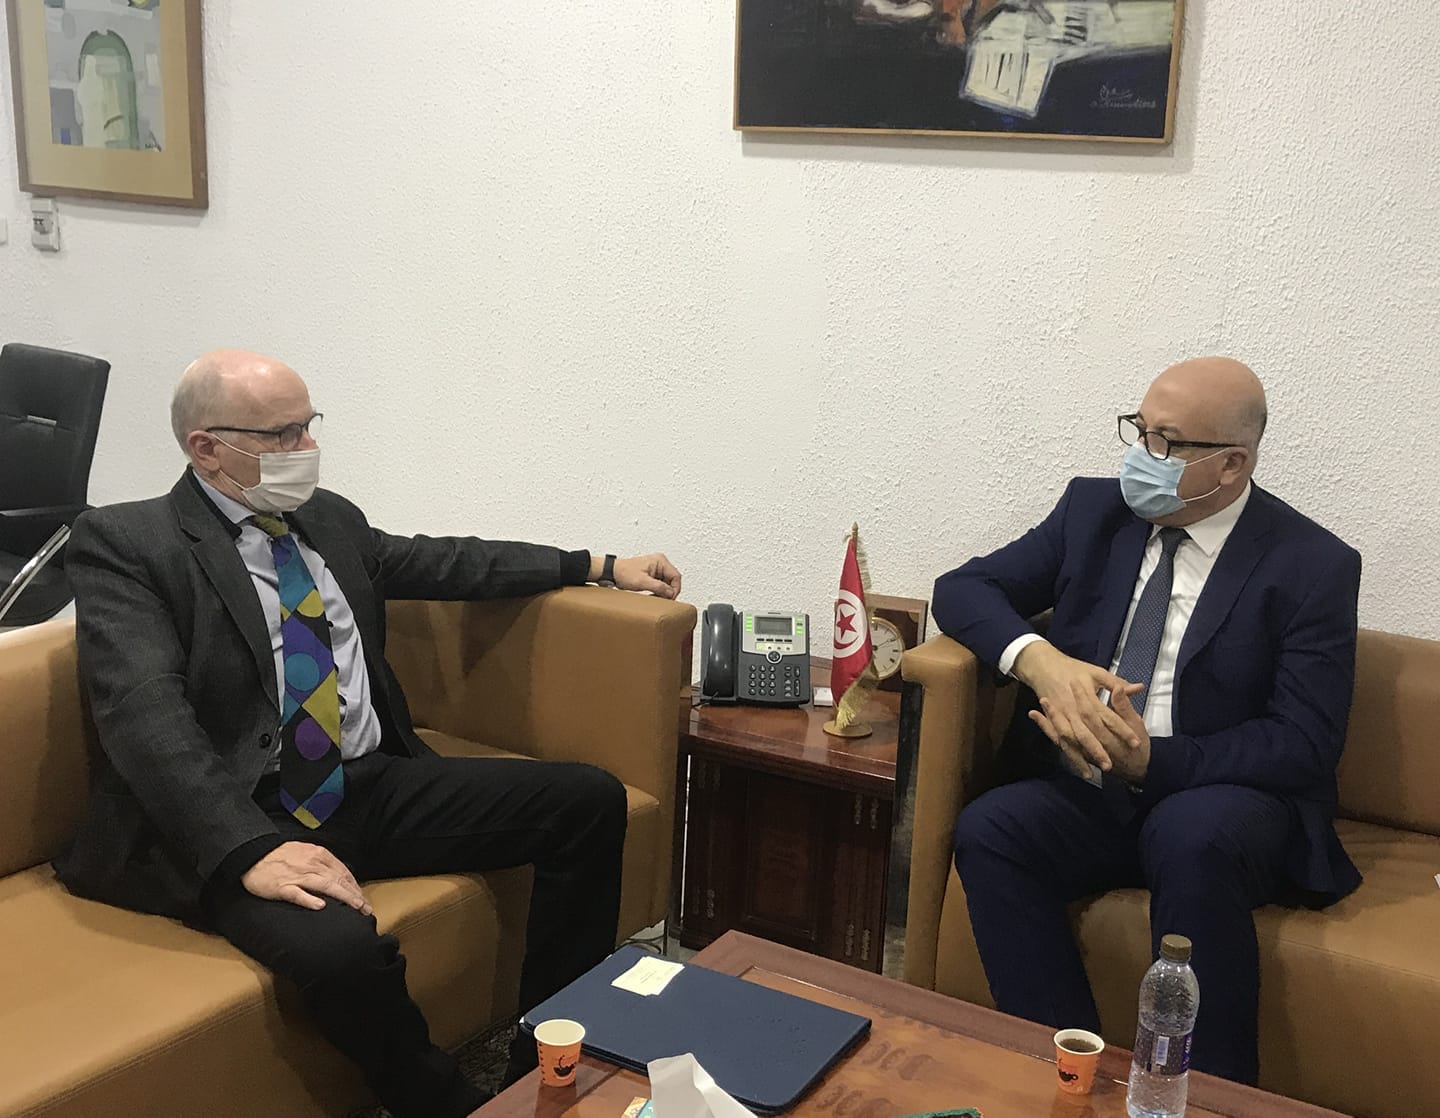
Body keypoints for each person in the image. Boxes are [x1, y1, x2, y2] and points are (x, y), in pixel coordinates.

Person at [54, 349, 683, 1118]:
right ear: (206, 448)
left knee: (587, 801)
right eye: (282, 435)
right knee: (343, 952)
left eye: (308, 425)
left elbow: (446, 563)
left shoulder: (327, 520)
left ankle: (540, 1069)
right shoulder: (128, 543)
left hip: (363, 783)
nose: (306, 448)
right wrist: (248, 849)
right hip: (237, 812)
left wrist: (598, 564)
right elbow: (144, 715)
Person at [934, 357, 1361, 1086]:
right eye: (1138, 431)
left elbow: (1304, 742)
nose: (1142, 456)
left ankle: (1207, 1096)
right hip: (1090, 784)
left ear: (1231, 465)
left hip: (1218, 795)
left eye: (1166, 442)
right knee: (993, 828)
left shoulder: (1312, 564)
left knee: (1189, 835)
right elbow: (962, 589)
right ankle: (1068, 1070)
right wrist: (1042, 662)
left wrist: (1155, 763)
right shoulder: (1092, 512)